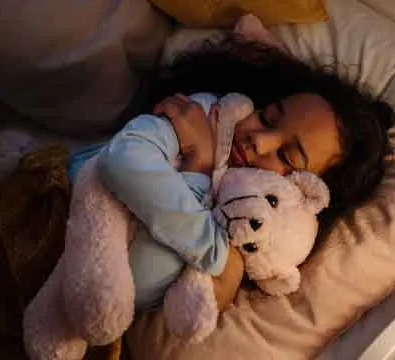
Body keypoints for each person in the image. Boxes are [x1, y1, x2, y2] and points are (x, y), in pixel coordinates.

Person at [69, 35, 394, 312]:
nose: (259, 139)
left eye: (286, 155)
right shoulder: (212, 117)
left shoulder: (253, 230)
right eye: (267, 117)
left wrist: (200, 168)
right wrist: (202, 169)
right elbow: (121, 163)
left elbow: (137, 282)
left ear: (303, 194)